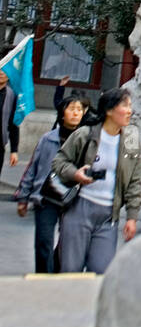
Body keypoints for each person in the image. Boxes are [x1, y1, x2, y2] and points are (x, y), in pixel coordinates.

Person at [52, 87, 141, 273]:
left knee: (101, 270)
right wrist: (75, 174)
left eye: (130, 106)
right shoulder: (85, 134)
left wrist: (132, 217)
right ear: (109, 110)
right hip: (80, 208)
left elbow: (135, 180)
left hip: (109, 215)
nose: (129, 111)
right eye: (124, 106)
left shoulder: (131, 139)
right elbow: (59, 161)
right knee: (71, 269)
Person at [17, 93, 85, 271]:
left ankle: (54, 272)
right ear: (63, 112)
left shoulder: (86, 141)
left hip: (72, 199)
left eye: (79, 109)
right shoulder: (48, 139)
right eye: (72, 109)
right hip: (46, 197)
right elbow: (33, 167)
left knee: (67, 243)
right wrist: (23, 197)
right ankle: (42, 276)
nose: (76, 113)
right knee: (43, 241)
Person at [0, 67, 20, 169]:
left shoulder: (11, 95)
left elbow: (14, 124)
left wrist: (14, 150)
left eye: (5, 69)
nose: (2, 73)